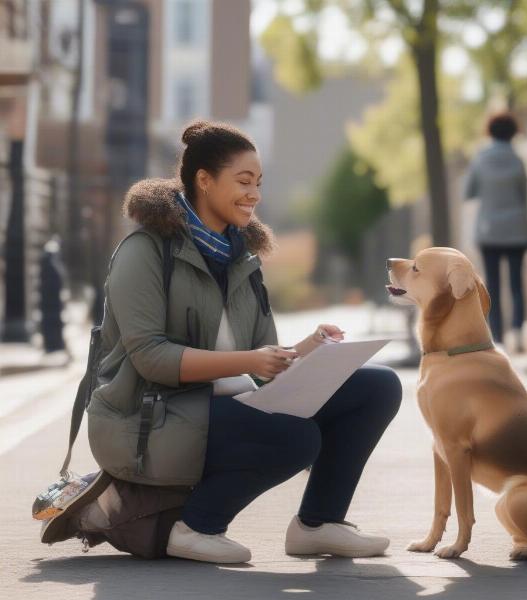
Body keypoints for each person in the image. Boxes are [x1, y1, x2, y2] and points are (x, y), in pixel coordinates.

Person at [38, 120, 402, 563]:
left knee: (378, 387)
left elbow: (263, 358)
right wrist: (250, 360)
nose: (255, 194)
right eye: (243, 181)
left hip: (224, 406)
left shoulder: (242, 257)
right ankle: (196, 526)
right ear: (204, 181)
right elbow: (151, 358)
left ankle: (318, 524)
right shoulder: (146, 252)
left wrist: (307, 349)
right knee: (296, 438)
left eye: (259, 184)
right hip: (150, 418)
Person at [463, 113, 527, 351]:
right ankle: (519, 332)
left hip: (489, 230)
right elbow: (524, 194)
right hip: (517, 229)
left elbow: (468, 192)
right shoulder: (518, 160)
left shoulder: (480, 159)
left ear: (489, 132)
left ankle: (498, 338)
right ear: (513, 133)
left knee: (491, 285)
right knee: (517, 283)